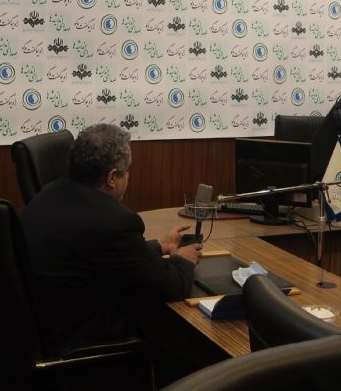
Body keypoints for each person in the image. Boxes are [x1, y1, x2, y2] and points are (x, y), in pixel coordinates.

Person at [20, 123, 219, 384]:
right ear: (112, 177)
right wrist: (183, 258)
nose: (128, 179)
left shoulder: (48, 195)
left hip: (48, 327)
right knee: (192, 341)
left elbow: (99, 254)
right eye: (127, 173)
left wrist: (160, 246)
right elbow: (171, 285)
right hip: (86, 345)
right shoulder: (112, 221)